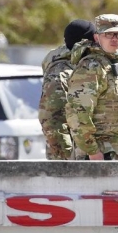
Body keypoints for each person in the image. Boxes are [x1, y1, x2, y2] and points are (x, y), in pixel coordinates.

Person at [65, 14, 118, 161]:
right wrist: (93, 152)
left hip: (114, 152)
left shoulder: (116, 66)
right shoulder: (92, 67)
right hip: (97, 155)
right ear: (97, 38)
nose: (114, 39)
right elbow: (77, 115)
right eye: (108, 34)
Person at [38, 19, 97, 160]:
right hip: (71, 161)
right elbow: (52, 120)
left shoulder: (83, 67)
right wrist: (67, 160)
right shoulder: (61, 73)